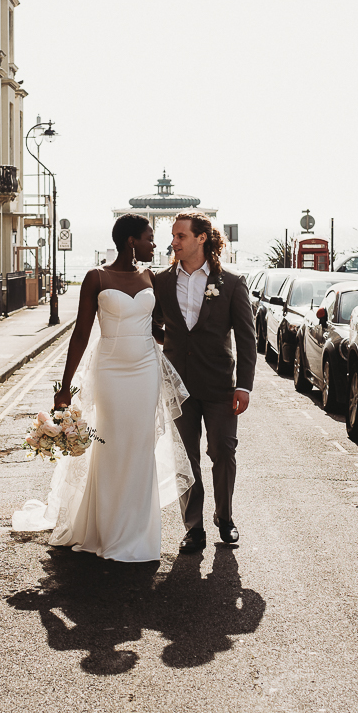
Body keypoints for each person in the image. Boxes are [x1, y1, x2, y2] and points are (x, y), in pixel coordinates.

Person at [12, 214, 192, 562]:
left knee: (140, 446)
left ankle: (138, 533)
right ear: (130, 241)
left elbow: (158, 329)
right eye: (148, 237)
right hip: (110, 370)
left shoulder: (149, 276)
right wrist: (65, 387)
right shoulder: (96, 277)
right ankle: (106, 530)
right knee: (111, 445)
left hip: (145, 370)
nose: (155, 244)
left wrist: (190, 350)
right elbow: (81, 332)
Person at [152, 212, 256, 554]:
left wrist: (244, 385)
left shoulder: (232, 282)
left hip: (220, 386)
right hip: (178, 385)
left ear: (201, 239)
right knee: (186, 457)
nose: (174, 242)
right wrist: (169, 347)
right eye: (173, 236)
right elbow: (151, 323)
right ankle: (193, 528)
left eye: (181, 236)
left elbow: (246, 338)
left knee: (223, 451)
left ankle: (224, 518)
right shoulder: (162, 282)